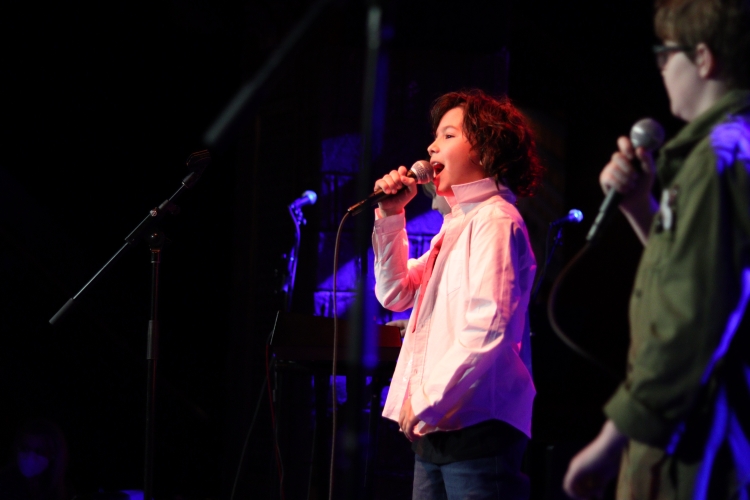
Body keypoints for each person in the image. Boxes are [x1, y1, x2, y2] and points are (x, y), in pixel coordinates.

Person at [563, 0, 750, 498]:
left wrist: (610, 441)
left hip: (689, 439)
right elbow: (693, 273)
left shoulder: (717, 159)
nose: (661, 69)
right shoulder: (724, 150)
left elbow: (693, 315)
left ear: (703, 58)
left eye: (666, 54)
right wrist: (639, 204)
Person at [372, 89, 543, 499]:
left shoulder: (495, 220)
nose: (432, 146)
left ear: (487, 150)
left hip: (476, 426)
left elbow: (488, 327)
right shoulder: (456, 226)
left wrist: (426, 399)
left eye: (448, 135)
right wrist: (391, 215)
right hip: (437, 424)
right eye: (435, 137)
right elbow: (394, 292)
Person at [0, 419, 70, 500]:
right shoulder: (4, 482)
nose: (30, 457)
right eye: (25, 448)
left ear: (53, 455)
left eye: (38, 451)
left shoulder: (64, 490)